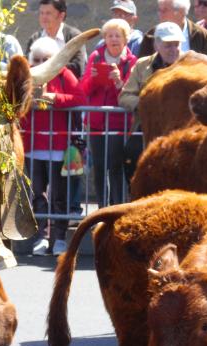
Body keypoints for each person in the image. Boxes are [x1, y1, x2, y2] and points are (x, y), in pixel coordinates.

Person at [21, 37, 86, 256]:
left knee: (59, 195)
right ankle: (41, 236)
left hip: (58, 144)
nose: (41, 62)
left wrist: (54, 98)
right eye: (37, 59)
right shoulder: (27, 76)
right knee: (38, 194)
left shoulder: (64, 74)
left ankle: (59, 238)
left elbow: (80, 98)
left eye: (46, 58)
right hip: (32, 144)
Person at [82, 18, 137, 206]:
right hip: (96, 121)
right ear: (104, 38)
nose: (114, 39)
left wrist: (118, 82)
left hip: (118, 123)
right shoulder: (95, 57)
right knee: (99, 166)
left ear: (125, 39)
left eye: (118, 35)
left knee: (115, 166)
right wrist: (94, 79)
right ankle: (101, 208)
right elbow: (84, 90)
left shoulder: (131, 62)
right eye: (110, 35)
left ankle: (116, 207)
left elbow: (128, 94)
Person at [119, 22, 184, 180]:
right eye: (168, 45)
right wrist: (149, 104)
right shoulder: (142, 65)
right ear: (156, 44)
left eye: (176, 45)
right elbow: (125, 96)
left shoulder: (189, 64)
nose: (173, 50)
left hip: (178, 130)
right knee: (132, 163)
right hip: (145, 129)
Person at [138, 0, 207, 61]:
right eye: (159, 10)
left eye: (164, 10)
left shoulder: (202, 36)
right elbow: (142, 69)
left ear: (180, 12)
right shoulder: (151, 36)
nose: (160, 14)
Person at [26, 0, 86, 79]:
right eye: (41, 13)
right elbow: (26, 67)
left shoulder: (74, 37)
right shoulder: (35, 38)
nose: (44, 17)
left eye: (48, 13)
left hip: (66, 88)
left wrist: (49, 65)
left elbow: (78, 68)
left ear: (61, 16)